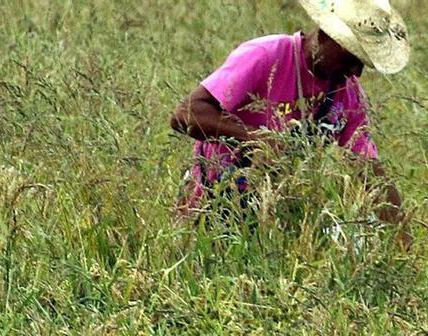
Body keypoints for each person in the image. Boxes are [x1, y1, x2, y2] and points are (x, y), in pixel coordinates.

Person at [170, 0, 411, 248]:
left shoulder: (347, 91)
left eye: (363, 63)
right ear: (327, 36)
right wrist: (257, 140)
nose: (356, 71)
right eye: (353, 56)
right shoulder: (266, 55)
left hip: (282, 222)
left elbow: (369, 169)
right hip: (214, 207)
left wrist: (401, 238)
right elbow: (185, 114)